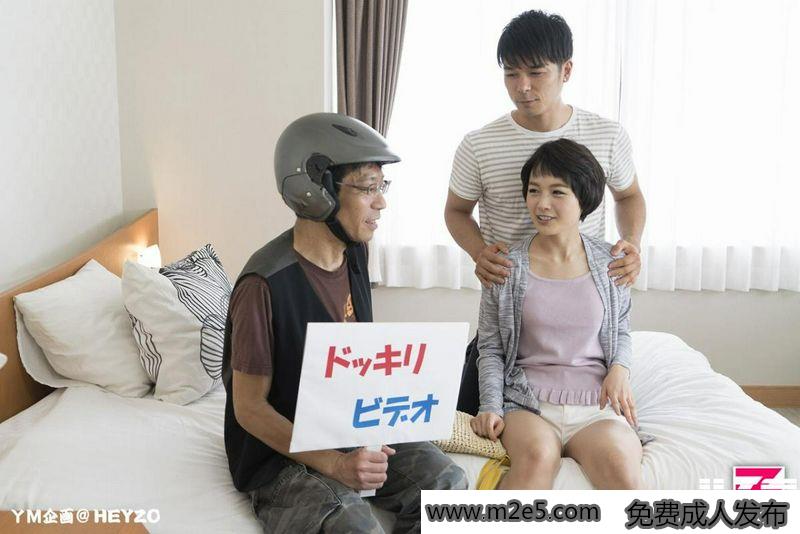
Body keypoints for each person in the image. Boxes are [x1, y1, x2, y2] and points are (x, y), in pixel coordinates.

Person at [221, 113, 467, 533]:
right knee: (353, 523)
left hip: (346, 424)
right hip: (279, 456)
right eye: (368, 188)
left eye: (381, 187)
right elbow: (249, 408)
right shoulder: (264, 285)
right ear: (314, 191)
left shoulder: (354, 254)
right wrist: (335, 464)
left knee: (448, 484)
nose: (381, 202)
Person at [446, 10, 646, 414]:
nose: (522, 86)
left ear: (566, 70)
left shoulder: (607, 135)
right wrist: (479, 252)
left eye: (536, 73)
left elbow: (629, 196)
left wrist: (631, 243)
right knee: (467, 418)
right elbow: (456, 211)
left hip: (584, 313)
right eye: (511, 73)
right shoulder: (479, 144)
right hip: (515, 312)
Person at [470, 138, 644, 489]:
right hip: (528, 406)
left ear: (584, 199)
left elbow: (622, 330)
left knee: (621, 471)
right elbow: (490, 347)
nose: (542, 204)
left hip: (596, 406)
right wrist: (490, 405)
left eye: (557, 192)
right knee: (539, 458)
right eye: (534, 190)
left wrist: (619, 369)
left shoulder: (612, 263)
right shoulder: (504, 267)